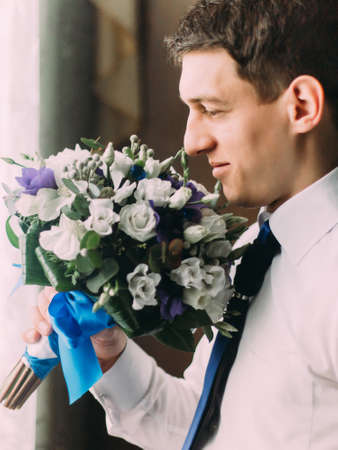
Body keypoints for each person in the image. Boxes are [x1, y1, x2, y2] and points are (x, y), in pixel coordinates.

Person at [23, 0, 338, 448]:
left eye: (212, 109)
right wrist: (108, 352)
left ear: (302, 106)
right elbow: (204, 426)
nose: (191, 141)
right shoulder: (255, 248)